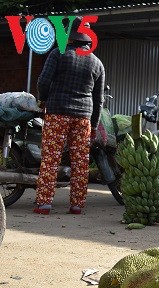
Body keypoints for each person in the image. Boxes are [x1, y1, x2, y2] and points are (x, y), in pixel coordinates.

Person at [34, 17, 105, 215]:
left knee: (51, 158)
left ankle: (44, 204)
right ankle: (76, 205)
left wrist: (43, 99)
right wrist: (93, 125)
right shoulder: (97, 63)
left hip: (57, 113)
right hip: (83, 117)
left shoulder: (58, 53)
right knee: (80, 162)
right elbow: (99, 100)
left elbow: (43, 81)